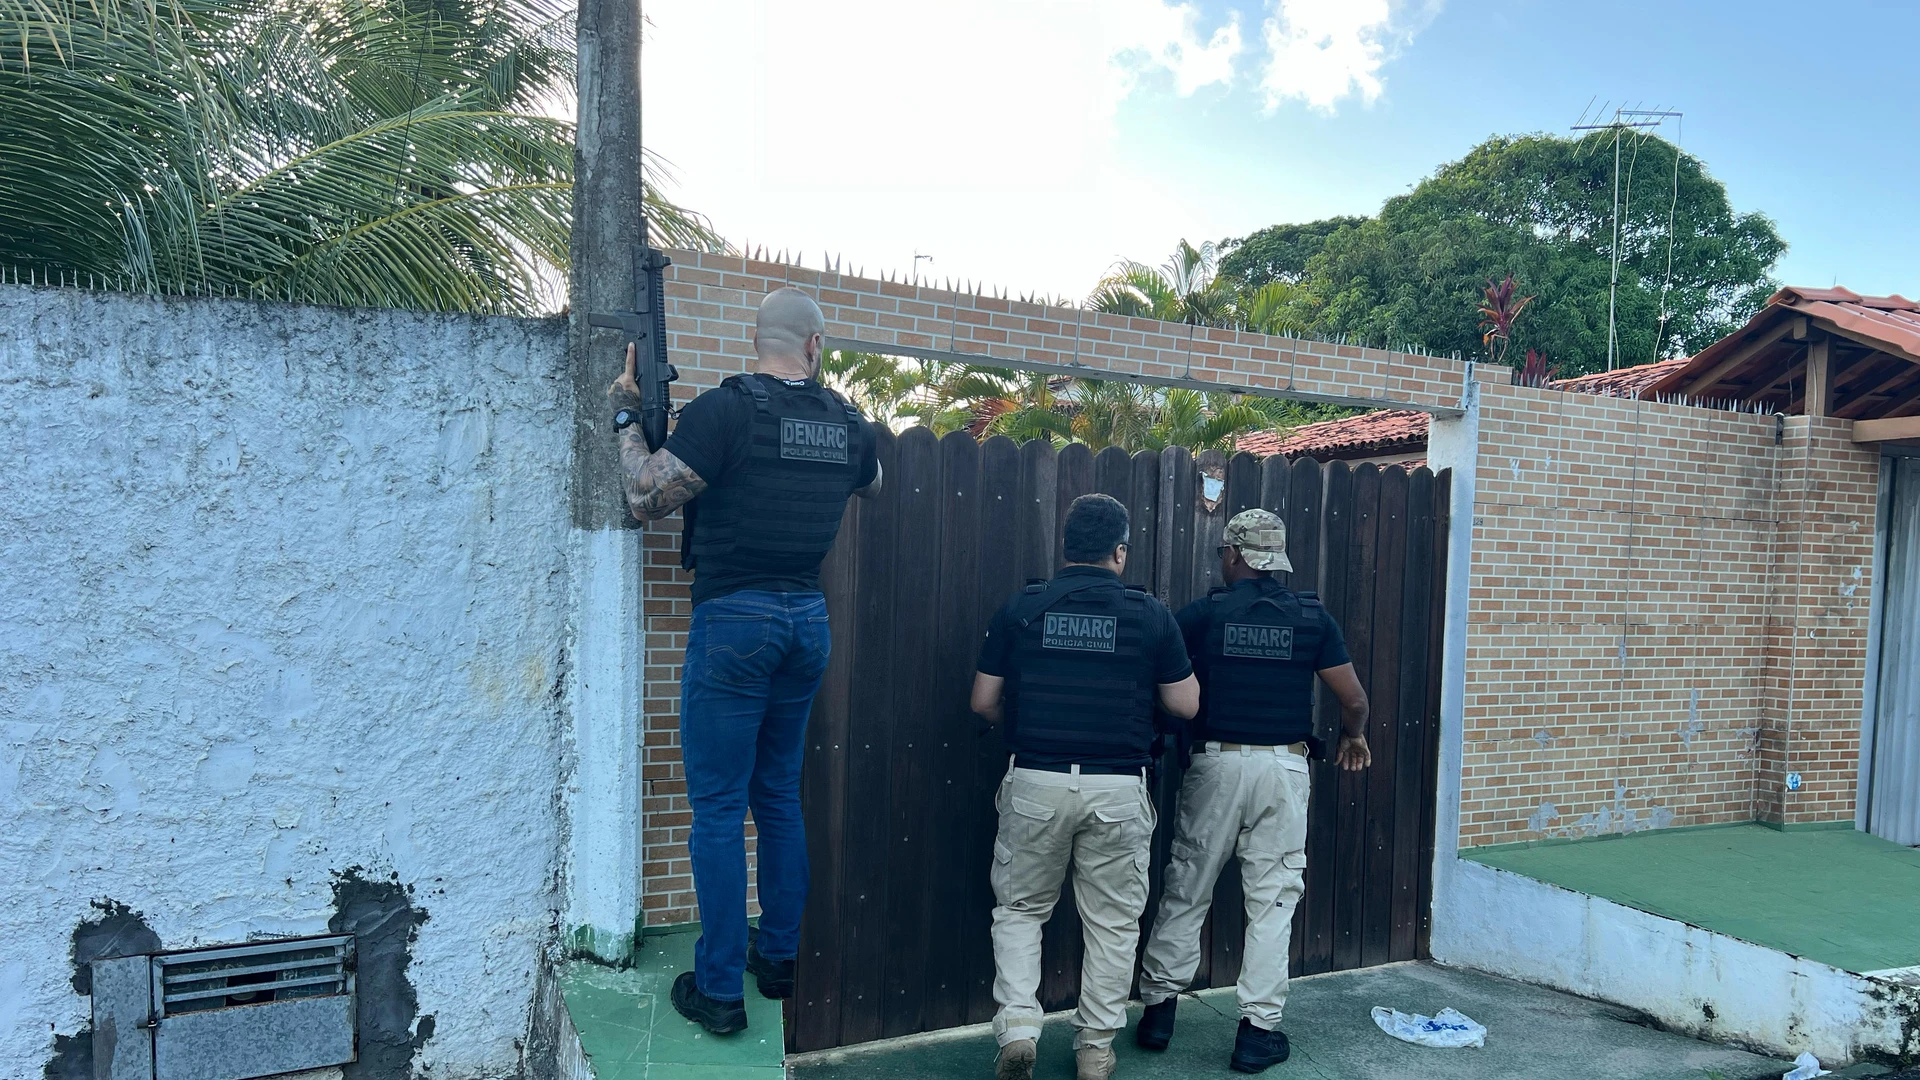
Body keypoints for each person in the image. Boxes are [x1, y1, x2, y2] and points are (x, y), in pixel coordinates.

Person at [608, 286, 882, 1035]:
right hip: (806, 623)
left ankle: (720, 990)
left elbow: (643, 497)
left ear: (758, 339)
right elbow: (871, 478)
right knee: (779, 798)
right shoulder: (851, 424)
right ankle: (779, 960)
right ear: (817, 347)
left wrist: (630, 416)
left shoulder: (726, 410)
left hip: (735, 620)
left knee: (720, 810)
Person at [969, 494, 1200, 1080]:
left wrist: (1027, 725)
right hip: (1118, 787)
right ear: (1120, 551)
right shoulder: (1150, 616)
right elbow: (1185, 703)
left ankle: (1019, 1030)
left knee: (1020, 912)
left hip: (1035, 780)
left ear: (1066, 547)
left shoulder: (1023, 608)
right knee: (1113, 925)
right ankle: (1095, 1050)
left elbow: (982, 702)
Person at [1131, 508, 1370, 1074]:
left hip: (1216, 765)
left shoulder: (1203, 616)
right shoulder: (1312, 619)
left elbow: (1160, 678)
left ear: (1234, 555)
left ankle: (1158, 1015)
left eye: (1223, 553)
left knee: (1188, 885)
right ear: (1276, 558)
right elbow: (1354, 699)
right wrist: (1353, 737)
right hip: (1284, 771)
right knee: (1273, 902)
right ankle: (1257, 1034)